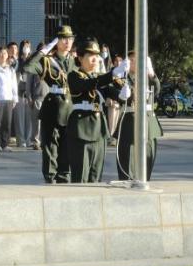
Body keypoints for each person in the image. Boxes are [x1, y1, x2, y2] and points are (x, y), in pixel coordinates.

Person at [66, 38, 127, 183]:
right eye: (90, 55)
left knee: (96, 175)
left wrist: (125, 93)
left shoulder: (99, 78)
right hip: (81, 129)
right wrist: (112, 74)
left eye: (96, 56)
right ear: (80, 58)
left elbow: (115, 94)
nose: (95, 59)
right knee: (80, 176)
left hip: (99, 130)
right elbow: (88, 84)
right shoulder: (74, 76)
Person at [24, 25, 78, 183]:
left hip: (69, 107)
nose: (67, 42)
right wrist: (43, 51)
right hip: (53, 105)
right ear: (56, 41)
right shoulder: (47, 61)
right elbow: (28, 66)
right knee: (50, 143)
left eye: (70, 39)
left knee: (67, 144)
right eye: (63, 39)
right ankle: (50, 175)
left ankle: (64, 174)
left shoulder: (75, 62)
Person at [116, 51, 164, 181]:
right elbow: (119, 94)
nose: (135, 63)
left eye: (138, 60)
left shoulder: (147, 77)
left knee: (148, 157)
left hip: (148, 122)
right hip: (130, 121)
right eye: (132, 60)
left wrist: (151, 73)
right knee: (128, 160)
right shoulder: (122, 77)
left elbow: (156, 90)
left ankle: (144, 180)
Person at [0, 46, 19, 152]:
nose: (3, 55)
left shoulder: (11, 69)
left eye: (5, 53)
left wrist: (15, 98)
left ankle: (5, 144)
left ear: (7, 55)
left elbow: (14, 85)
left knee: (7, 122)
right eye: (0, 53)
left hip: (9, 98)